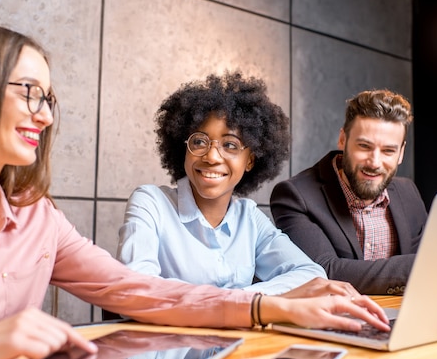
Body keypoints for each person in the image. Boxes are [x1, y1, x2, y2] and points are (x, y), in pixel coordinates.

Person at [0, 22, 389, 359]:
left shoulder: (38, 218)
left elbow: (138, 291)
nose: (46, 117)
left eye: (47, 99)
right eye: (30, 93)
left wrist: (270, 308)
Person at [117, 70, 350, 296]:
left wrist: (243, 299)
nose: (211, 157)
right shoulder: (151, 203)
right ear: (183, 147)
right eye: (199, 141)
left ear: (250, 160)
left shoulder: (249, 218)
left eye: (230, 145)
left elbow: (310, 274)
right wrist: (244, 303)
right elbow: (137, 287)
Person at [270, 89, 428, 295]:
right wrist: (427, 264)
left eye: (388, 150)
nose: (374, 162)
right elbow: (324, 271)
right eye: (364, 146)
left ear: (401, 153)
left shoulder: (408, 192)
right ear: (343, 140)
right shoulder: (295, 196)